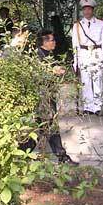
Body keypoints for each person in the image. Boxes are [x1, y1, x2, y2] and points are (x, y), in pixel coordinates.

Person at [32, 30, 78, 165]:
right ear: (45, 42)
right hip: (42, 98)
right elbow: (38, 74)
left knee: (45, 128)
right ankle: (61, 156)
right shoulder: (37, 56)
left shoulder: (48, 55)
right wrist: (53, 71)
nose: (54, 42)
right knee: (48, 128)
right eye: (52, 40)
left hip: (48, 96)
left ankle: (22, 151)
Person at [71, 0, 103, 116]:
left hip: (97, 54)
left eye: (89, 9)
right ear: (82, 11)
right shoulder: (77, 25)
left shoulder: (101, 23)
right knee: (85, 81)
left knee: (97, 80)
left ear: (93, 10)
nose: (87, 12)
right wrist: (75, 61)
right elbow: (75, 44)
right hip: (83, 54)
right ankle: (88, 106)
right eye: (84, 9)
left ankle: (97, 106)